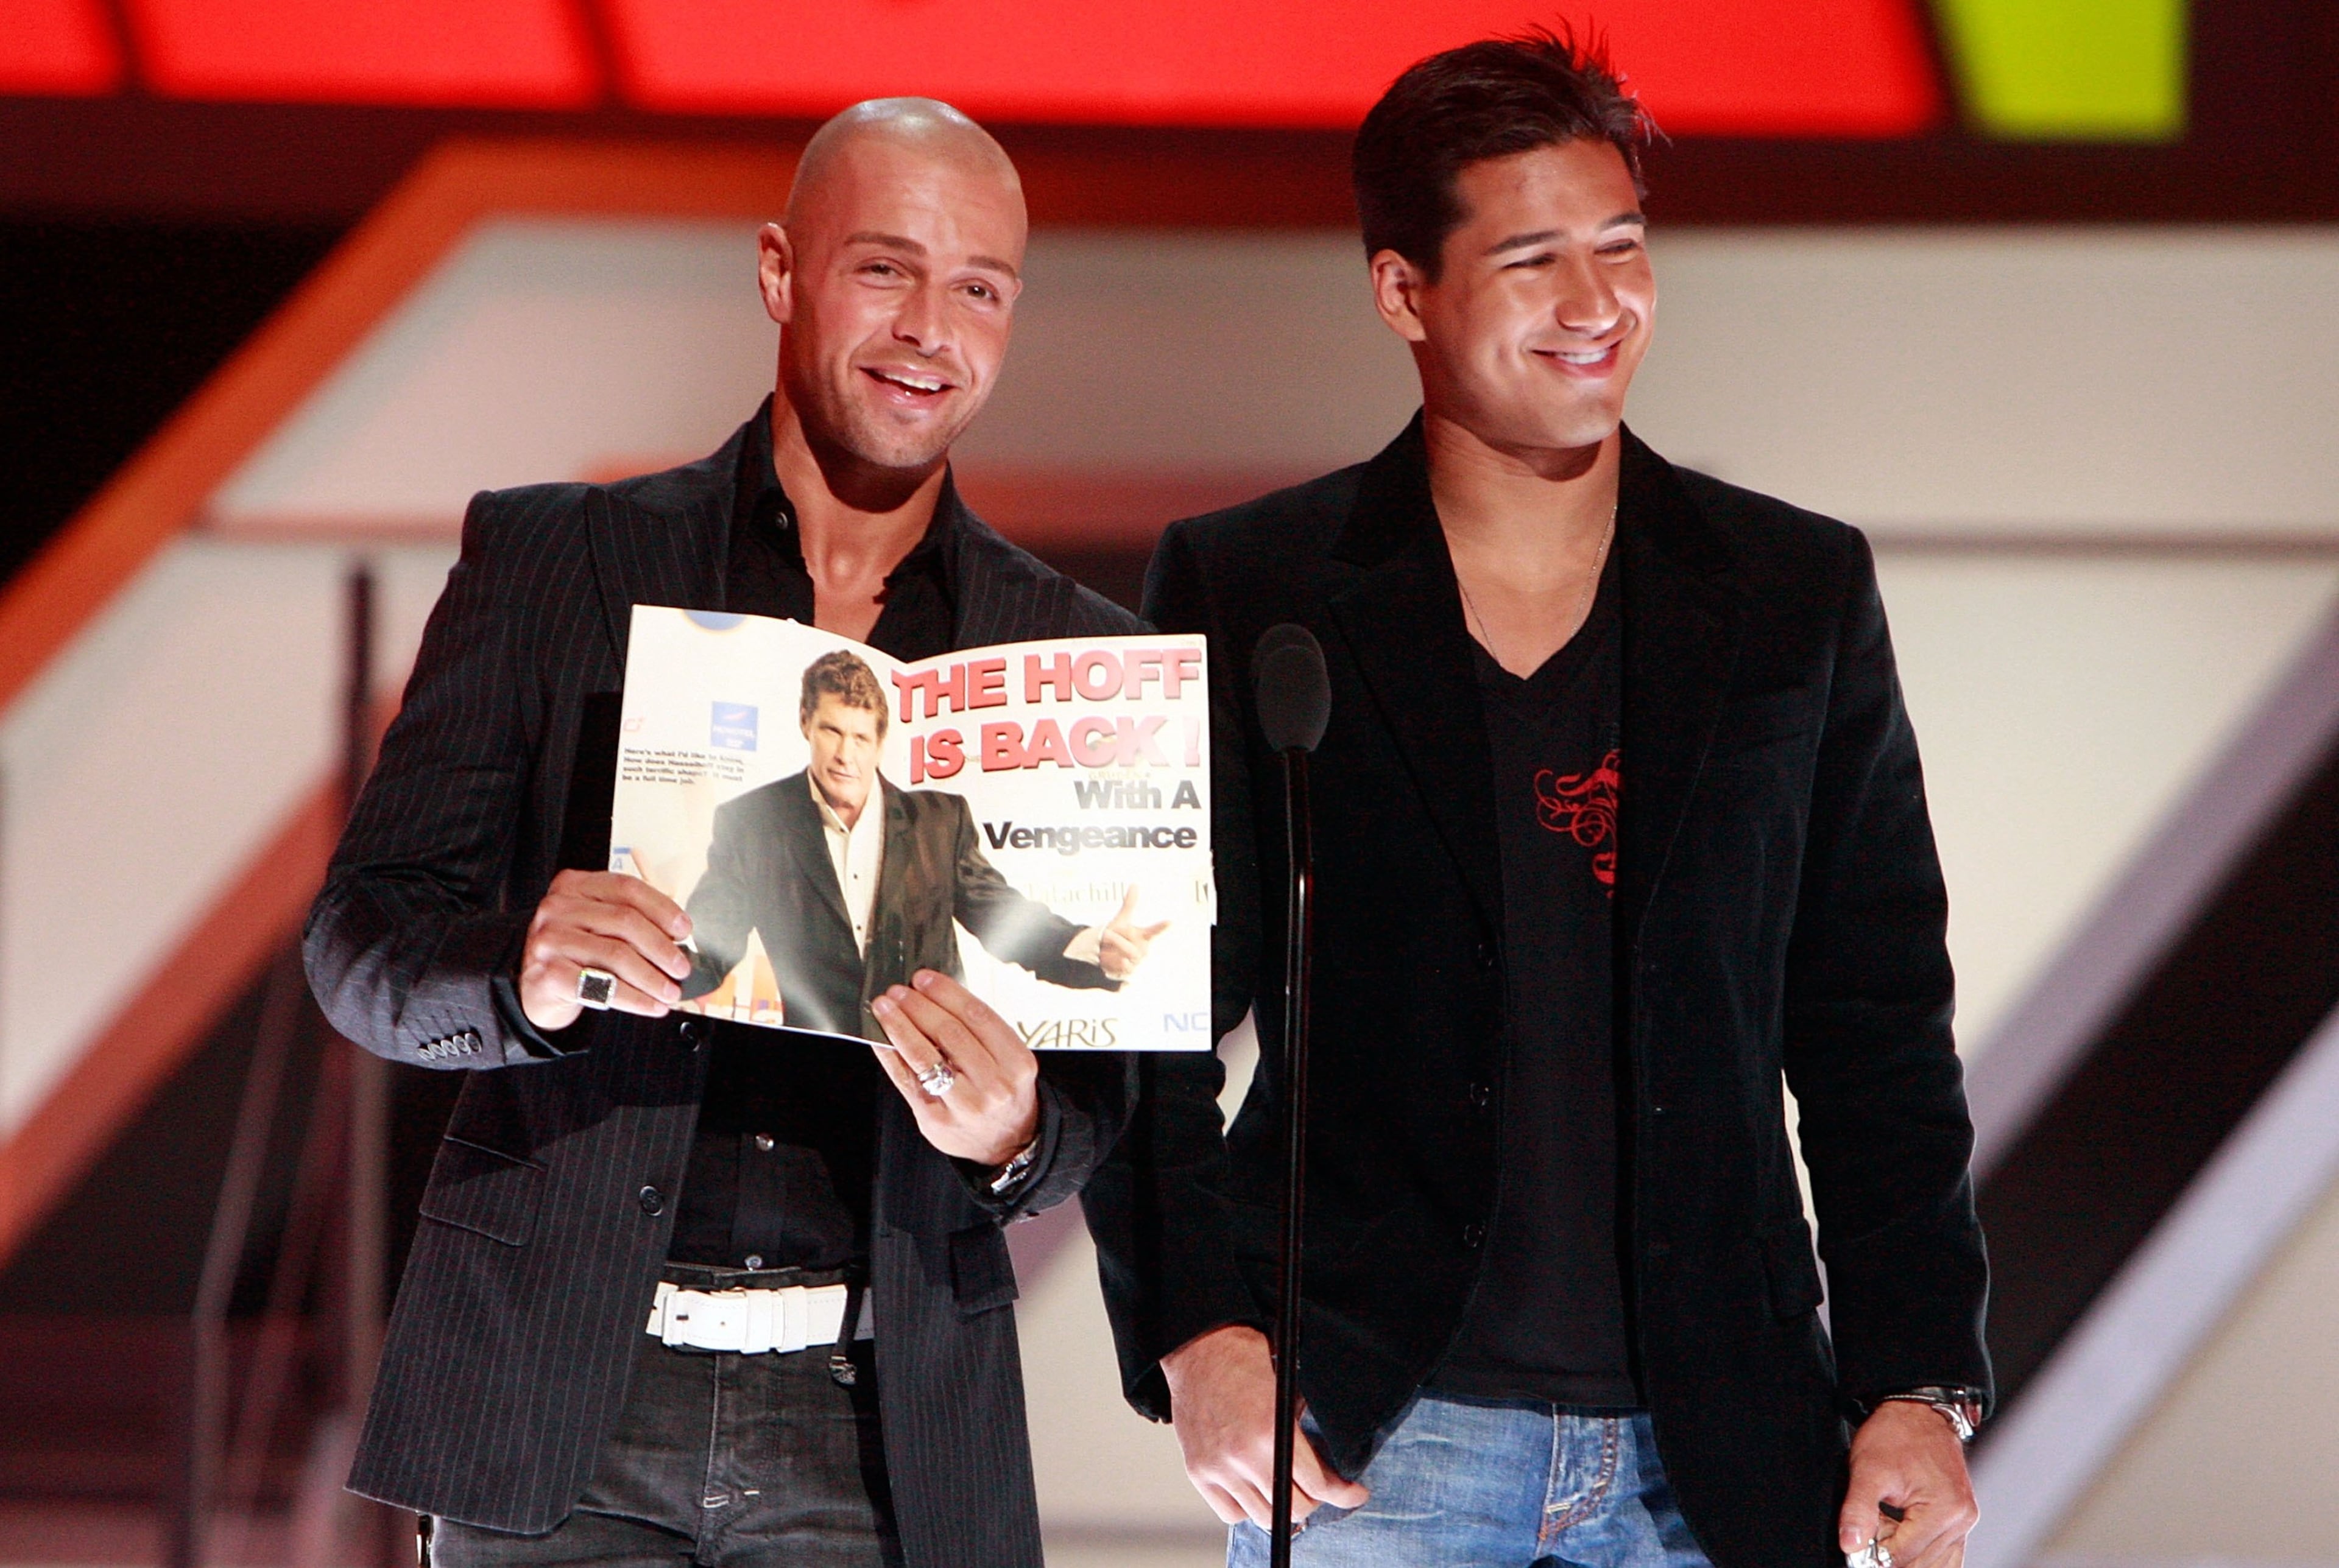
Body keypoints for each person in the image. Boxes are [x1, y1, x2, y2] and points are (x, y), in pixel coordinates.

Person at [1081, 31, 1991, 1568]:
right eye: (1533, 260)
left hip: (1723, 1445)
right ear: (1402, 291)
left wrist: (1917, 1378)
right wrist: (1201, 1328)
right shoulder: (1256, 585)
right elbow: (1142, 1004)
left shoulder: (1791, 591)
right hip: (1379, 1438)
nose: (1596, 303)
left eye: (1621, 248)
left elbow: (1876, 1022)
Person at [305, 97, 1145, 1567]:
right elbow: (359, 941)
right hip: (562, 1397)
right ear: (779, 271)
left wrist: (1015, 1133)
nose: (929, 328)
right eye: (884, 269)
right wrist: (524, 970)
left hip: (878, 1425)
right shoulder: (558, 557)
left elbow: (1094, 1105)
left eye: (979, 288)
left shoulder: (1067, 659)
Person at [679, 647, 1165, 1036]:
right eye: (831, 731)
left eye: (861, 738)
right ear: (805, 722)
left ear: (880, 740)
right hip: (813, 1078)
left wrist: (1092, 947)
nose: (846, 754)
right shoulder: (751, 822)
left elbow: (1000, 916)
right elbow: (713, 948)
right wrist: (657, 961)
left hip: (940, 1069)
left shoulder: (940, 820)